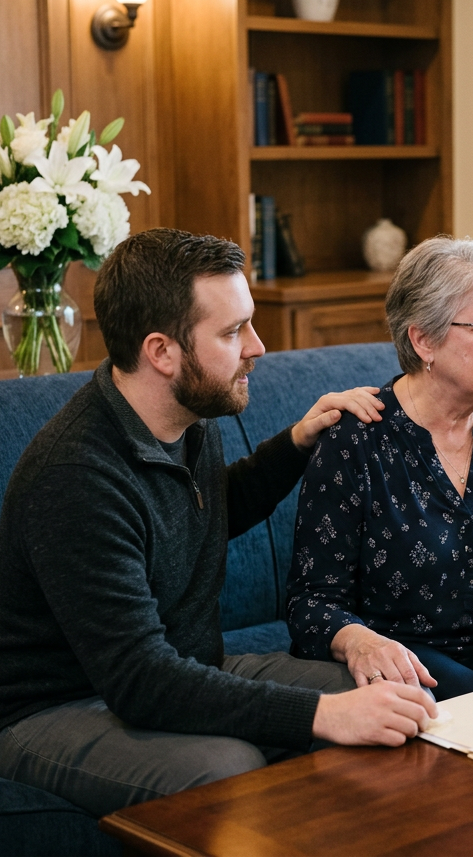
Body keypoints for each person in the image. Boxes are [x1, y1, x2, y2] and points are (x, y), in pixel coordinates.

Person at [0, 228, 436, 818]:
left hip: (187, 663)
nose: (257, 346)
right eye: (233, 332)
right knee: (226, 768)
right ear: (162, 352)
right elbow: (140, 680)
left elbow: (203, 511)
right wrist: (319, 716)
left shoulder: (185, 416)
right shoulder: (76, 477)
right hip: (61, 708)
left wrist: (296, 442)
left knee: (386, 698)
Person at [286, 236, 473, 699]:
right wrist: (358, 642)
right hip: (404, 652)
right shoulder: (356, 441)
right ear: (423, 339)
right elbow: (312, 602)